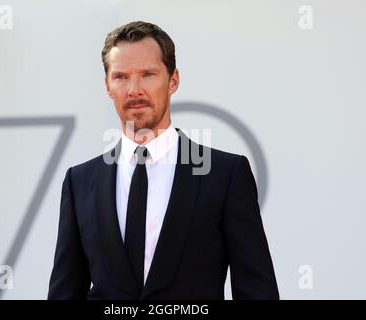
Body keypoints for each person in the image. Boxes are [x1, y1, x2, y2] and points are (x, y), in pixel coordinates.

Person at [48, 21, 279, 300]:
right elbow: (65, 291)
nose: (134, 89)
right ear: (107, 85)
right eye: (121, 76)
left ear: (173, 80)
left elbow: (257, 290)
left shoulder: (225, 175)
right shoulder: (80, 181)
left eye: (148, 74)